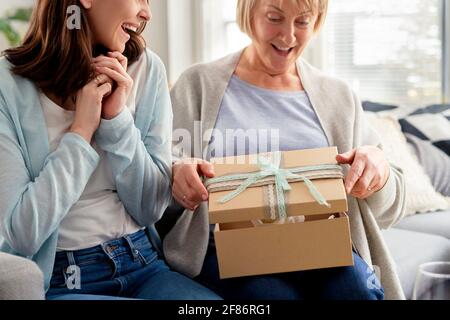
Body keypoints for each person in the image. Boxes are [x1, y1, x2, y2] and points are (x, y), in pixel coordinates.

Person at [163, 0, 407, 300]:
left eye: (302, 22)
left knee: (357, 290)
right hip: (227, 252)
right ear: (248, 13)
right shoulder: (197, 84)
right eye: (275, 18)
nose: (288, 36)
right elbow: (159, 175)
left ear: (316, 22)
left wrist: (379, 172)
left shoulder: (339, 96)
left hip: (320, 247)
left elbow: (390, 209)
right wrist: (177, 173)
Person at [0, 0, 220, 300]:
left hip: (143, 262)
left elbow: (149, 208)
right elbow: (23, 234)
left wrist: (116, 121)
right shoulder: (7, 85)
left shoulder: (147, 68)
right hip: (63, 280)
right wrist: (81, 132)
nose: (147, 13)